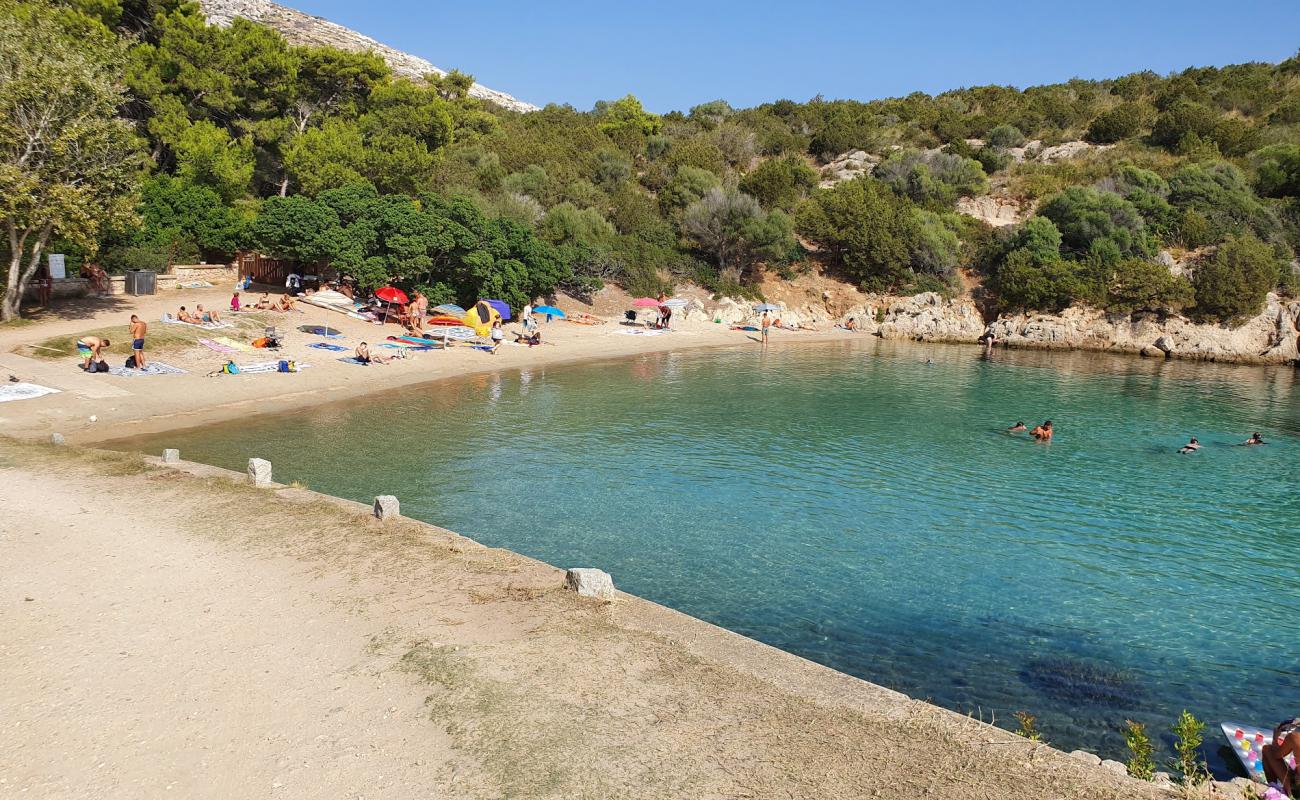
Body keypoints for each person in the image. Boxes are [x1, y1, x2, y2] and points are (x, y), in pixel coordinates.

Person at [1264, 717, 1300, 797]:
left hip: (1298, 788)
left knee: (1267, 750)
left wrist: (1275, 738)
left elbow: (1276, 755)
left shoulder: (1295, 736)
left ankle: (1274, 789)